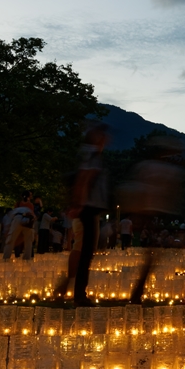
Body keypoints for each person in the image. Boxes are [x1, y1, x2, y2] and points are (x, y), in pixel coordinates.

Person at [116, 135, 185, 304]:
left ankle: (139, 290)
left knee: (152, 255)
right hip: (154, 214)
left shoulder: (146, 166)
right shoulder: (167, 170)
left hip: (148, 213)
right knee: (152, 256)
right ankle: (138, 291)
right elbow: (171, 194)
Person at [67, 124, 110, 305]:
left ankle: (77, 291)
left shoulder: (88, 154)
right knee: (86, 251)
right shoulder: (92, 155)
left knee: (86, 251)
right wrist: (78, 204)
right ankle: (79, 294)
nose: (106, 139)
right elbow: (84, 179)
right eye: (102, 136)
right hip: (88, 207)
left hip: (88, 207)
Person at [2, 196, 36, 261]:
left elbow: (8, 222)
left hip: (18, 218)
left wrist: (7, 231)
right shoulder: (28, 208)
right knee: (28, 241)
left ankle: (6, 257)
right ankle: (27, 258)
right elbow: (34, 217)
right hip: (29, 220)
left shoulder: (13, 211)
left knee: (11, 239)